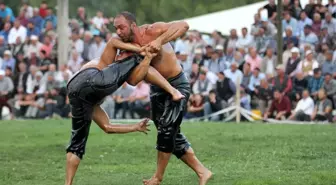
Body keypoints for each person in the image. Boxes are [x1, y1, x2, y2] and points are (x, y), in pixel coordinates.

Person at [64, 38, 185, 185]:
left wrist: (135, 127)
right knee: (137, 61)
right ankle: (171, 88)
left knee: (76, 144)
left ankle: (67, 183)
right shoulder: (109, 62)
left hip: (72, 88)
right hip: (89, 78)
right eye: (123, 53)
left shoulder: (90, 101)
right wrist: (141, 52)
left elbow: (108, 127)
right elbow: (113, 43)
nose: (122, 55)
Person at [113, 11, 212, 185]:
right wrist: (145, 59)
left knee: (167, 130)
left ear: (133, 25)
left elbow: (183, 25)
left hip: (177, 85)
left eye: (121, 27)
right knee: (170, 133)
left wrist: (159, 41)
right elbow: (134, 81)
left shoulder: (152, 30)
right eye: (116, 29)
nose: (118, 32)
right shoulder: (126, 48)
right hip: (157, 90)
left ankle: (157, 178)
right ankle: (202, 171)